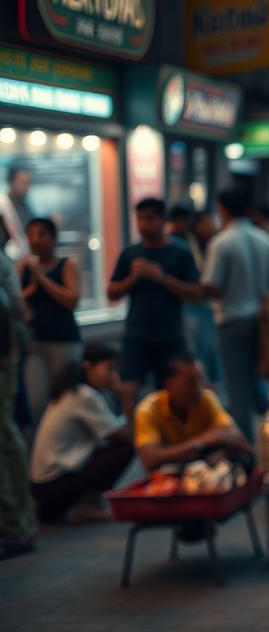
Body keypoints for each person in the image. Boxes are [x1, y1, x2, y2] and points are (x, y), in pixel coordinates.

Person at [201, 185, 269, 441]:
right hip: (260, 320)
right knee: (251, 379)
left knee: (237, 387)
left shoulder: (221, 242)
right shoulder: (265, 239)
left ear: (223, 210)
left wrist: (196, 287)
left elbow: (213, 286)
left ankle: (246, 450)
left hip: (232, 320)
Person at [108, 199, 203, 418]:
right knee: (128, 391)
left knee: (175, 393)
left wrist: (163, 278)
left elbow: (197, 294)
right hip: (137, 335)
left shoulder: (180, 252)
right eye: (140, 219)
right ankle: (135, 443)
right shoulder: (130, 254)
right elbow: (112, 293)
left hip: (170, 336)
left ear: (162, 220)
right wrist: (132, 279)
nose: (143, 225)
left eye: (149, 219)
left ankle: (170, 442)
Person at [29, 344, 133, 523]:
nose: (113, 376)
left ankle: (87, 504)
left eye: (116, 370)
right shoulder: (84, 395)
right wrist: (125, 397)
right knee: (124, 449)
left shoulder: (76, 390)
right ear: (88, 367)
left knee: (111, 447)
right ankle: (85, 506)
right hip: (53, 488)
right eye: (109, 369)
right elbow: (122, 435)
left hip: (44, 488)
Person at [134, 353, 250, 472]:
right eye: (191, 382)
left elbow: (235, 435)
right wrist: (200, 442)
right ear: (169, 384)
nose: (198, 389)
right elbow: (149, 460)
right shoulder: (148, 410)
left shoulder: (206, 399)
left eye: (201, 381)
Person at [19, 218, 81, 428]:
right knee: (36, 401)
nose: (36, 240)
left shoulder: (66, 264)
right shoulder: (23, 266)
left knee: (64, 399)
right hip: (35, 341)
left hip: (63, 341)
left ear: (53, 238)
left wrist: (41, 278)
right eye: (31, 235)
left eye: (42, 234)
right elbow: (18, 300)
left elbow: (72, 300)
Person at [0, 249, 37, 560]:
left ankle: (17, 525)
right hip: (7, 354)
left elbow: (17, 306)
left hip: (3, 357)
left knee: (4, 437)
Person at [169, 205, 224, 388]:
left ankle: (208, 385)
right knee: (200, 347)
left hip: (200, 303)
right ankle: (204, 385)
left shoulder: (199, 242)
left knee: (206, 348)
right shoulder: (182, 243)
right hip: (192, 304)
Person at [0, 165, 32, 258]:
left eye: (28, 182)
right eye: (22, 182)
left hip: (23, 257)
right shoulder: (2, 204)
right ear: (11, 182)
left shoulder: (26, 207)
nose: (26, 186)